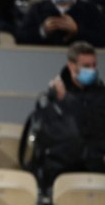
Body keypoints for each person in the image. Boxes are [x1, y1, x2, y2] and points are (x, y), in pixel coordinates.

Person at [41, 41, 105, 186]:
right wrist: (64, 99)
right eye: (87, 66)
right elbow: (55, 134)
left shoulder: (101, 94)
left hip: (97, 164)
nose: (93, 70)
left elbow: (95, 125)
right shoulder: (55, 96)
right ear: (72, 65)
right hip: (63, 167)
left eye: (95, 65)